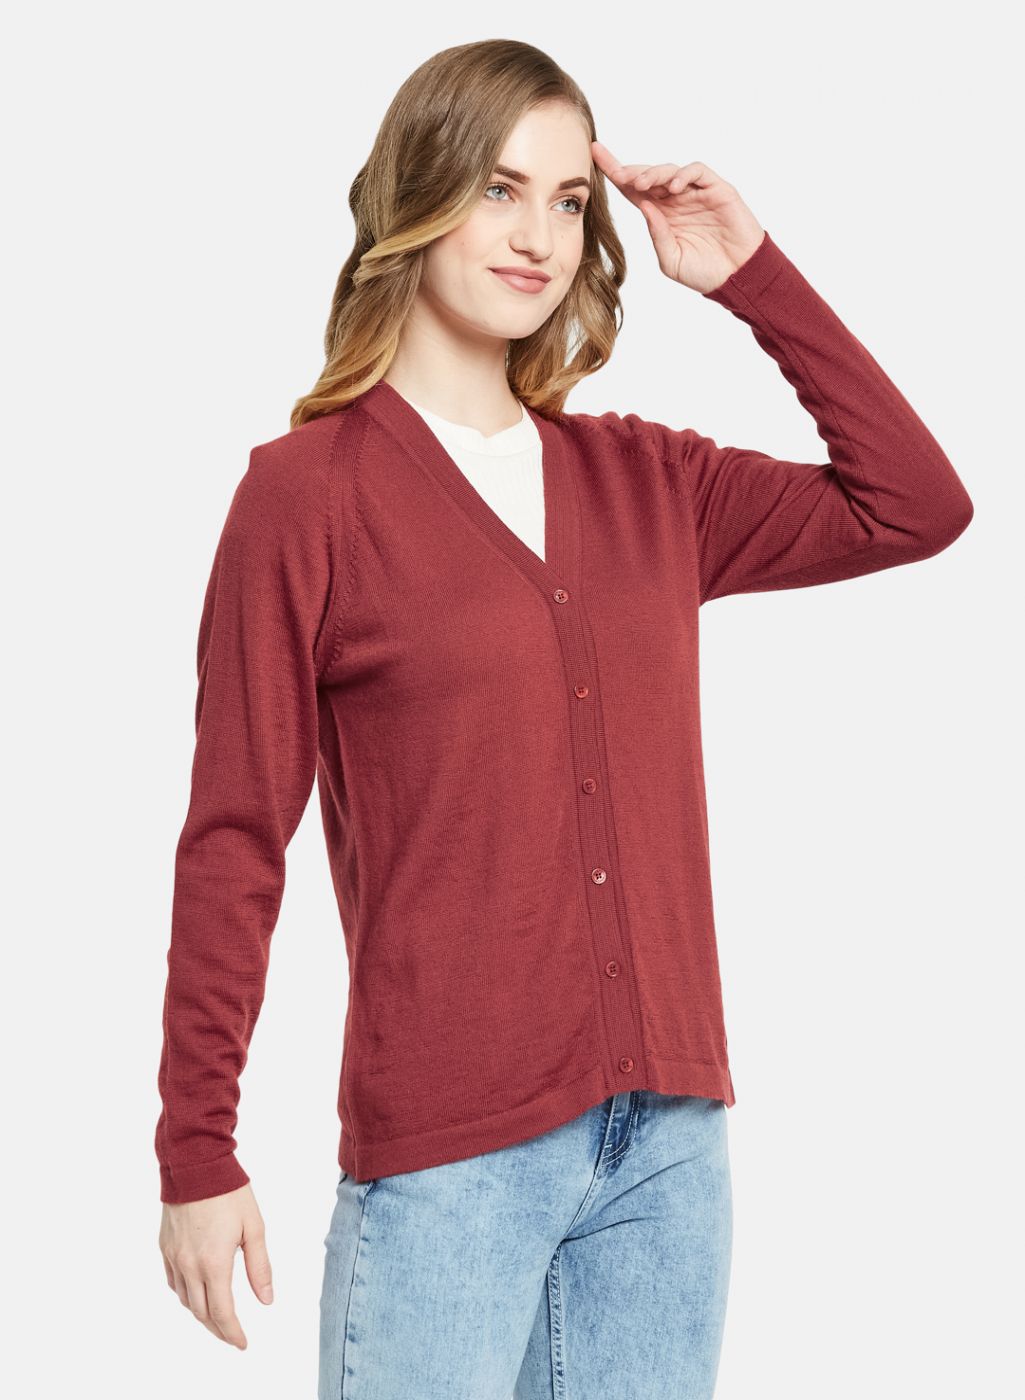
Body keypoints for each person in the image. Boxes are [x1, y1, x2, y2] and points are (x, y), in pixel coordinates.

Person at [155, 38, 973, 1400]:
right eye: (497, 188)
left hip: (669, 1156)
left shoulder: (647, 481)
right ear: (416, 196)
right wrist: (197, 1149)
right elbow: (236, 834)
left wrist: (752, 278)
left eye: (569, 200)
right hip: (448, 1160)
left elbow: (914, 506)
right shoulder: (307, 498)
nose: (538, 236)